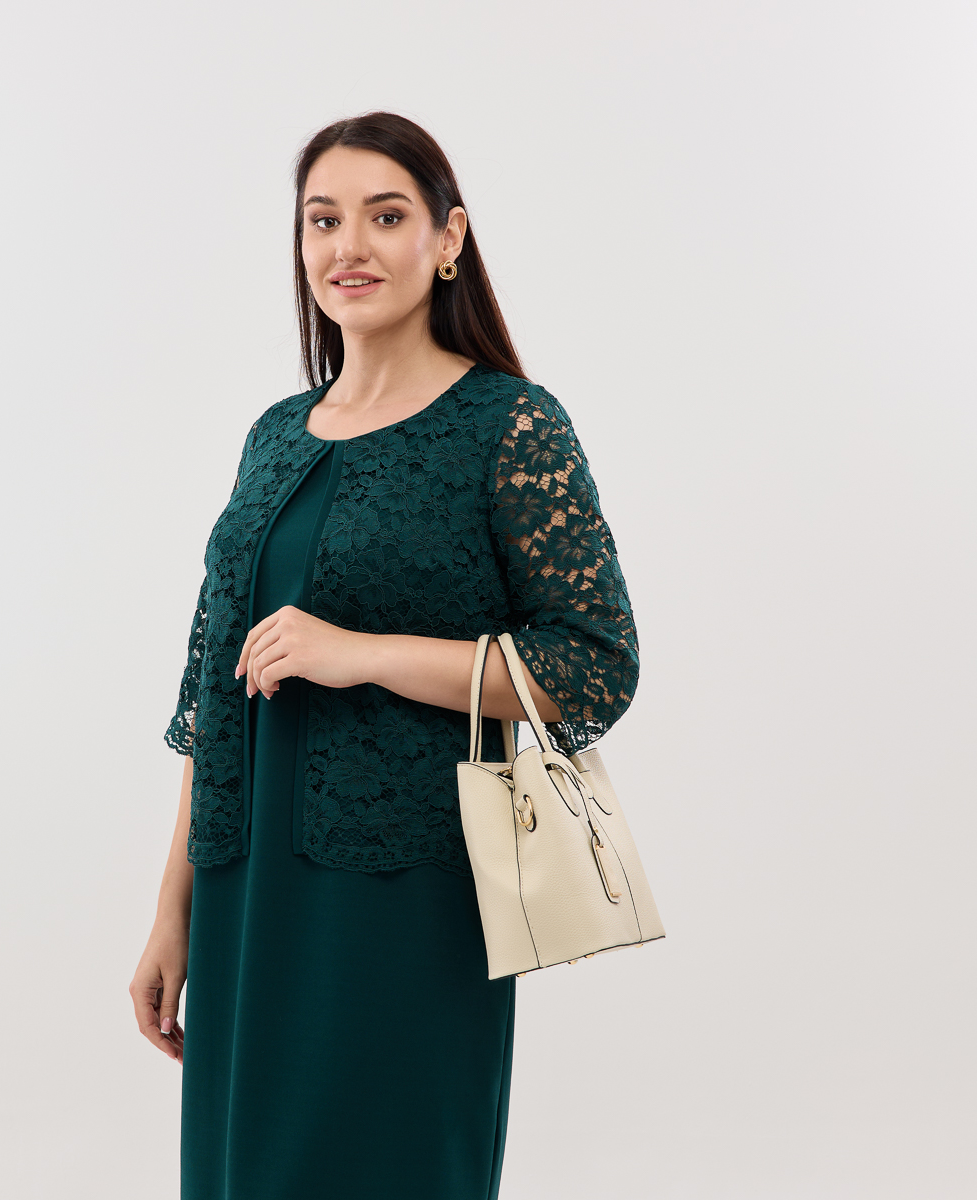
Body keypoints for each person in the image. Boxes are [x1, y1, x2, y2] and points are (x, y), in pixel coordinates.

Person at [129, 111, 640, 1200]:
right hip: (244, 888)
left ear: (448, 238)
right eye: (323, 220)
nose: (347, 246)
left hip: (406, 894)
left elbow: (593, 664)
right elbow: (212, 698)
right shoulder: (274, 434)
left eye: (385, 216)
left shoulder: (509, 425)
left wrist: (361, 654)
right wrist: (173, 911)